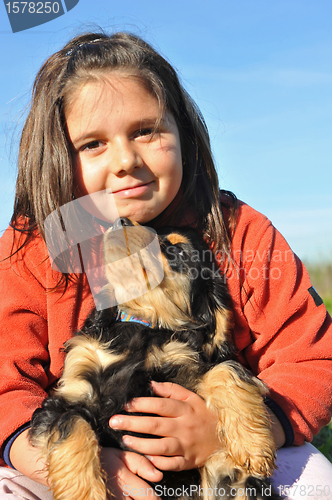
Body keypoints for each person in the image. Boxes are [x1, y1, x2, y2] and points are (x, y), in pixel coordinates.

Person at [0, 31, 332, 500]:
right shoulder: (36, 247)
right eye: (92, 144)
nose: (125, 161)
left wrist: (238, 429)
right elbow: (6, 383)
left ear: (183, 132)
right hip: (73, 455)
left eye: (145, 130)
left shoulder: (236, 230)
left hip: (223, 445)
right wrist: (78, 462)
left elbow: (312, 353)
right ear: (57, 156)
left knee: (317, 484)